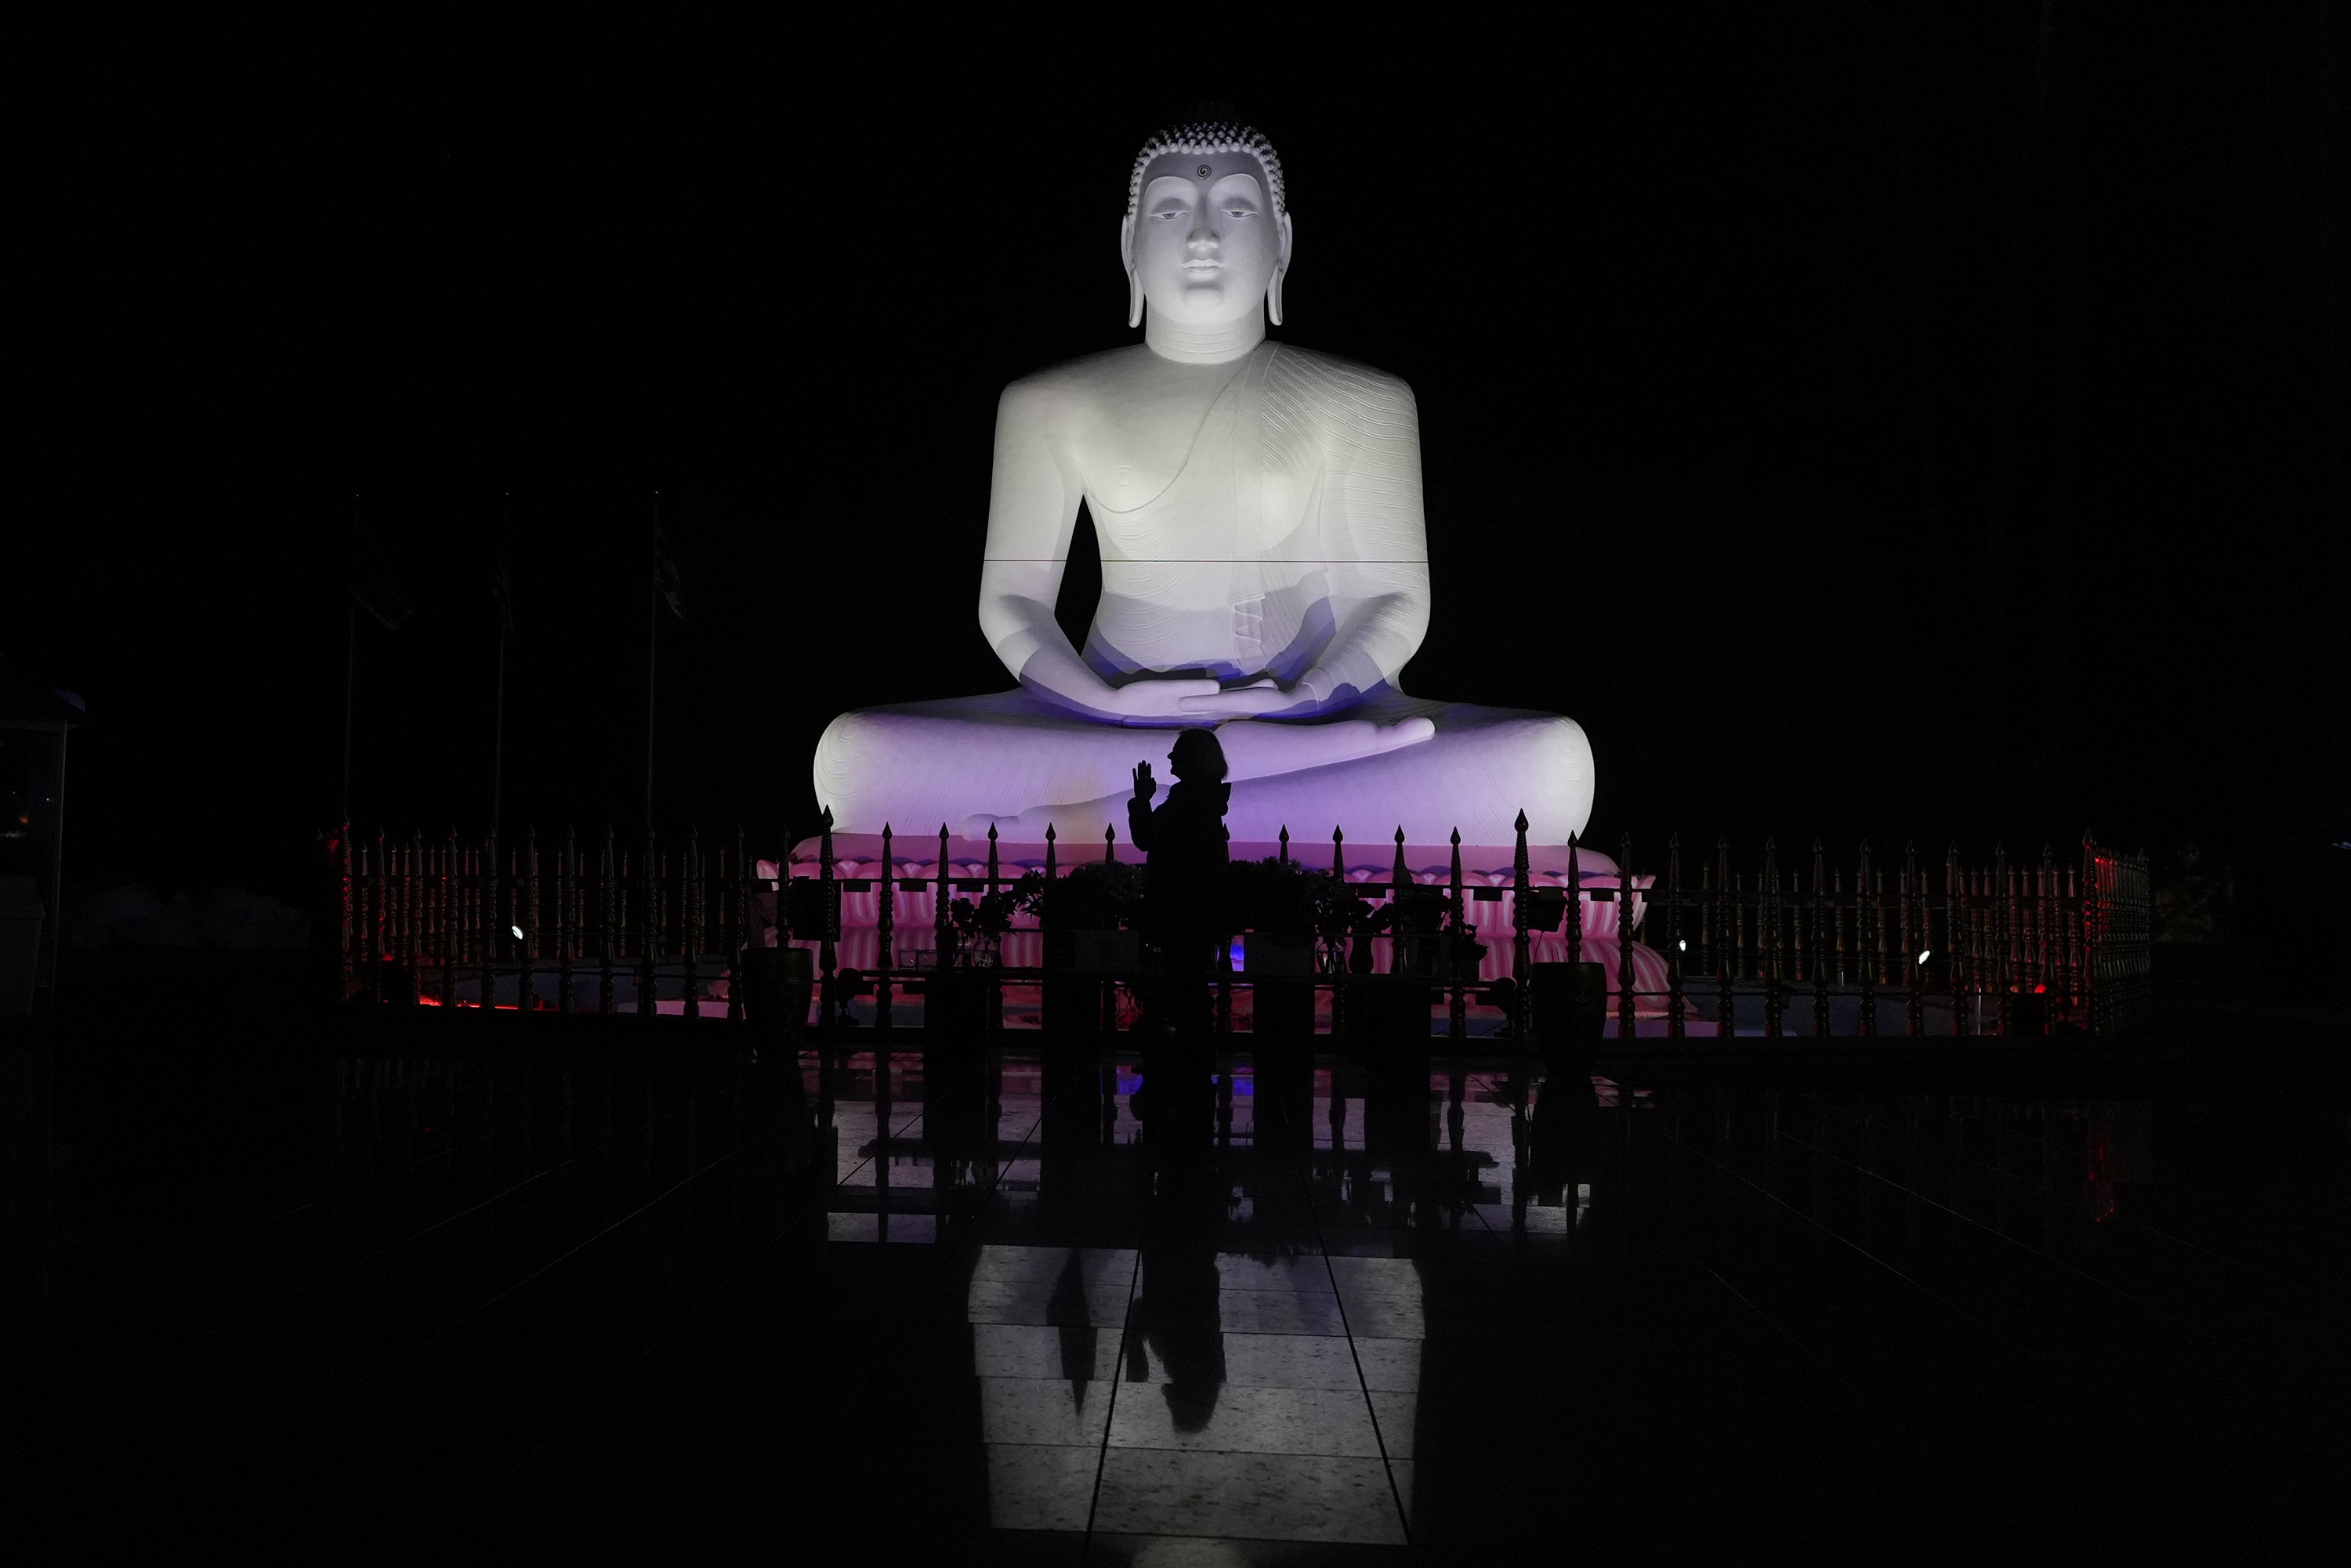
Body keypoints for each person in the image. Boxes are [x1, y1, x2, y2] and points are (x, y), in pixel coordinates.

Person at [1127, 726, 1230, 1040]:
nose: (1171, 757)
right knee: (1190, 987)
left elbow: (1148, 838)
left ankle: (1189, 1063)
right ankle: (1193, 1062)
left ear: (1194, 760)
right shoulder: (1203, 799)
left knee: (1185, 989)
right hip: (1194, 911)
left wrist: (1142, 801)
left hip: (1181, 912)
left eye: (1178, 752)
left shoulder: (1189, 802)